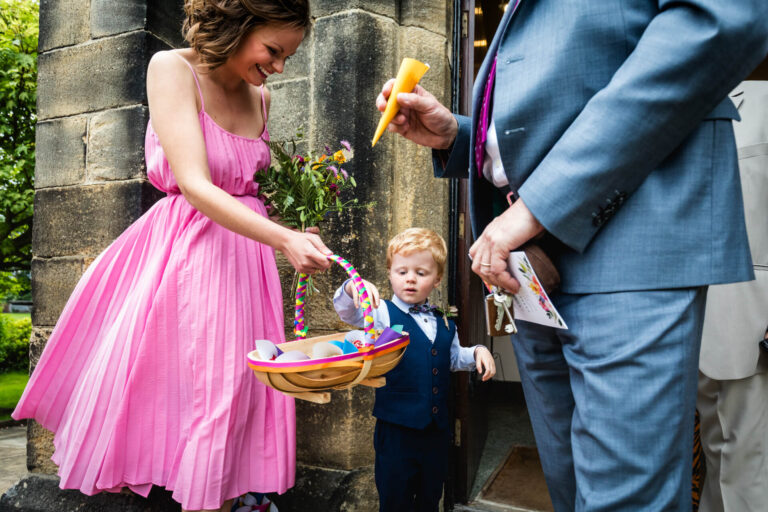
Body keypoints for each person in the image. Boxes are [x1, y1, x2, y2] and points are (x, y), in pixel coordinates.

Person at [376, 1, 768, 510]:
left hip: (632, 250)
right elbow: (558, 100)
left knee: (624, 499)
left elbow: (717, 23)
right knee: (569, 489)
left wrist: (540, 204)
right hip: (533, 274)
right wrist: (460, 136)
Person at [12, 1, 332, 511]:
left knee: (244, 392)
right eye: (273, 50)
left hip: (247, 264)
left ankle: (226, 499)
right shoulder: (171, 69)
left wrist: (295, 231)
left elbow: (247, 187)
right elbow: (197, 185)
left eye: (288, 56)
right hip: (191, 253)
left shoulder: (261, 97)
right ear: (237, 25)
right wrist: (282, 237)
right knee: (211, 392)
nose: (278, 67)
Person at [332, 227, 495, 512]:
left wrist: (479, 351)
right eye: (402, 271)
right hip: (396, 432)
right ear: (390, 273)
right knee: (396, 500)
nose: (410, 279)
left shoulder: (445, 321)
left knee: (430, 498)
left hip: (436, 433)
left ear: (437, 279)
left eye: (421, 273)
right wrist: (350, 288)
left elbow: (453, 358)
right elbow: (348, 312)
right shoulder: (380, 313)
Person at [696, 79, 768, 512]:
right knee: (710, 458)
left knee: (748, 468)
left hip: (749, 319)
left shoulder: (764, 100)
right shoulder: (660, 106)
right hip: (677, 321)